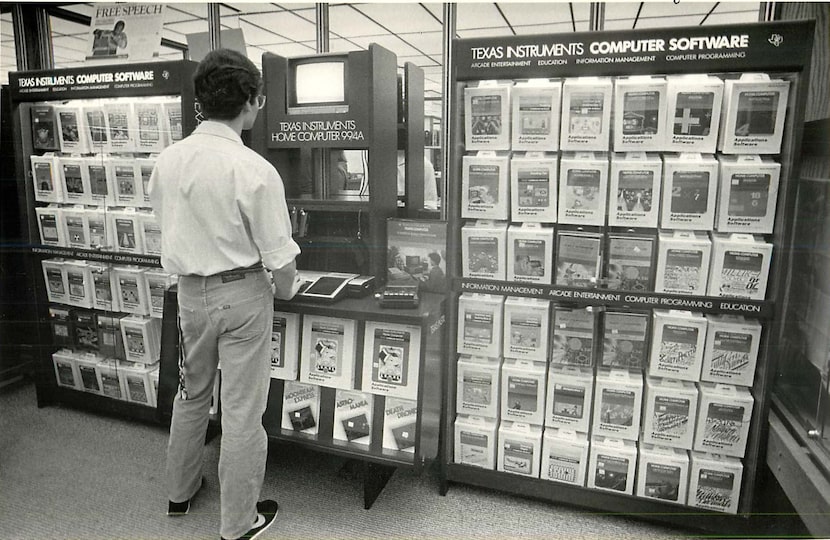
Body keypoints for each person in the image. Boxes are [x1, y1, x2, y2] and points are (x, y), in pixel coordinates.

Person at [148, 49, 301, 540]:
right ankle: (239, 524)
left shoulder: (167, 161)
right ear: (252, 102)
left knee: (192, 395)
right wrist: (287, 288)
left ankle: (179, 493)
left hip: (190, 296)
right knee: (240, 413)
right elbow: (282, 263)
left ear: (202, 102)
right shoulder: (253, 168)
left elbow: (165, 229)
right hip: (242, 296)